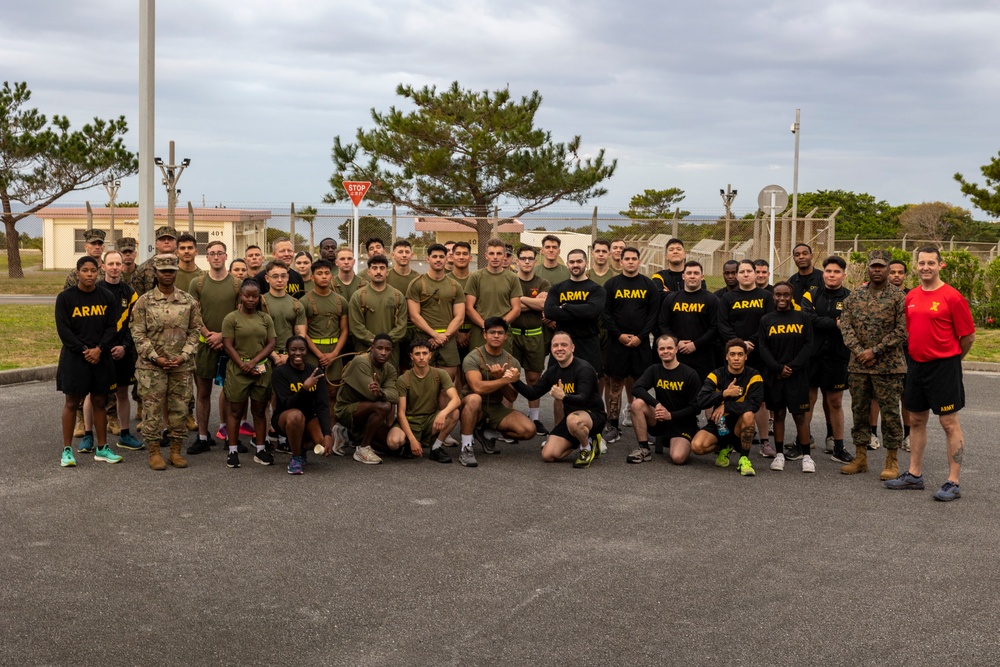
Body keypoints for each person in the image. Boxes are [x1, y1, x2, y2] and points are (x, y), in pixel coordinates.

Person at [886, 247, 975, 501]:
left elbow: (968, 336)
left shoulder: (952, 297)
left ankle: (953, 482)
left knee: (948, 423)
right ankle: (914, 475)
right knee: (915, 419)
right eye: (921, 263)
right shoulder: (911, 296)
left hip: (944, 366)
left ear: (940, 265)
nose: (925, 267)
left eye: (930, 263)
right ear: (917, 266)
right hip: (916, 365)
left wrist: (954, 361)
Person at [838, 249, 907, 480]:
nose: (877, 270)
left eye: (882, 266)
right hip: (859, 366)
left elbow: (902, 330)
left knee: (889, 414)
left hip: (888, 367)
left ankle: (892, 460)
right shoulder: (854, 296)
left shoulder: (899, 297)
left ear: (888, 269)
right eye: (873, 266)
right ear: (868, 268)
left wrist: (875, 350)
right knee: (859, 411)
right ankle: (860, 457)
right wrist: (860, 351)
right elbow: (845, 327)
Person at [130, 254, 202, 470]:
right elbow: (138, 333)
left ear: (176, 272)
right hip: (152, 367)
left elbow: (195, 331)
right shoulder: (144, 301)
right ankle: (154, 452)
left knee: (179, 410)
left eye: (171, 270)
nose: (168, 274)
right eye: (164, 271)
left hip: (181, 366)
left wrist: (184, 355)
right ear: (157, 273)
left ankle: (175, 451)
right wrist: (155, 357)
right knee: (152, 411)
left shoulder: (188, 301)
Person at [55, 255, 122, 467]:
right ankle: (67, 451)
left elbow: (112, 327)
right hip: (75, 359)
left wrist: (99, 349)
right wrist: (85, 350)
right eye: (85, 270)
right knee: (72, 403)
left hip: (101, 357)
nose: (90, 274)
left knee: (100, 402)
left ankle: (102, 448)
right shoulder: (65, 298)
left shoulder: (107, 296)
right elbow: (64, 330)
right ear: (77, 273)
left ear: (98, 272)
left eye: (93, 270)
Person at [513, 332, 606, 469]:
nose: (559, 348)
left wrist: (564, 397)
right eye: (555, 345)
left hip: (592, 415)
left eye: (564, 345)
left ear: (572, 348)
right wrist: (514, 381)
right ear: (551, 349)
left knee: (573, 420)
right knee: (548, 455)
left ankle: (586, 447)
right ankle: (581, 438)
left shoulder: (584, 369)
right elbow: (533, 394)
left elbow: (583, 398)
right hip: (571, 419)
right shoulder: (553, 371)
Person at [187, 240, 242, 455]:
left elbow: (240, 314)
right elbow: (193, 314)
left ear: (226, 256)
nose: (216, 257)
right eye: (212, 253)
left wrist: (223, 336)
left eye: (220, 253)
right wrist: (208, 334)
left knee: (231, 393)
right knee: (203, 392)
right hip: (205, 344)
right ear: (207, 257)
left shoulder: (237, 284)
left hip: (230, 345)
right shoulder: (197, 284)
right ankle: (202, 436)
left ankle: (231, 437)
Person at [458, 318, 536, 467]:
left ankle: (488, 433)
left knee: (529, 430)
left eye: (500, 333)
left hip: (495, 407)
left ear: (506, 336)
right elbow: (477, 388)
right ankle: (466, 447)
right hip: (471, 405)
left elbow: (512, 396)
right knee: (475, 399)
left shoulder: (512, 361)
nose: (496, 336)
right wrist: (501, 380)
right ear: (484, 335)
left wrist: (500, 378)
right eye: (492, 332)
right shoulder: (473, 357)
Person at [601, 246, 658, 443]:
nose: (631, 262)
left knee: (641, 386)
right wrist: (619, 335)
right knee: (615, 385)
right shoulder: (611, 284)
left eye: (634, 258)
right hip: (618, 344)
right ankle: (613, 426)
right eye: (627, 259)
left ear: (639, 261)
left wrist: (641, 337)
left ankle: (646, 426)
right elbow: (605, 313)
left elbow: (653, 315)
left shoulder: (648, 285)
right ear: (621, 261)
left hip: (641, 344)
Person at [718, 258, 774, 454]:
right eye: (741, 272)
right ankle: (731, 440)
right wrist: (739, 344)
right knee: (733, 395)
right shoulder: (728, 298)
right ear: (737, 275)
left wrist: (752, 342)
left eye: (749, 271)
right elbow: (723, 325)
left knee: (760, 399)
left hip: (759, 354)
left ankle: (765, 441)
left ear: (755, 273)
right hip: (735, 355)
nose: (745, 275)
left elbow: (768, 322)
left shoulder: (766, 296)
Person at [757, 282, 814, 472]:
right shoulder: (766, 320)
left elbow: (808, 345)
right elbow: (763, 348)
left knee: (799, 415)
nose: (782, 299)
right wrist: (778, 368)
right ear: (773, 296)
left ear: (792, 296)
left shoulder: (803, 318)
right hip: (775, 375)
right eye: (778, 295)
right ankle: (779, 454)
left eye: (786, 295)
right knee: (779, 414)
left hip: (797, 376)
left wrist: (792, 367)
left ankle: (807, 456)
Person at [800, 255, 853, 463]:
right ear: (824, 274)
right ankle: (802, 444)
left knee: (835, 402)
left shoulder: (850, 298)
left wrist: (829, 323)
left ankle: (839, 447)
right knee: (808, 401)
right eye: (829, 271)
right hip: (811, 357)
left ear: (843, 275)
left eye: (836, 272)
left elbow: (848, 324)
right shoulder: (811, 294)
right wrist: (834, 324)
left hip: (837, 357)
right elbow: (807, 320)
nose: (832, 275)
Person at [220, 280, 277, 468]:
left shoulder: (265, 318)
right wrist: (242, 364)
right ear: (241, 296)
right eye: (247, 296)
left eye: (255, 296)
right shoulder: (231, 318)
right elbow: (228, 344)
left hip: (260, 368)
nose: (251, 299)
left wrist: (253, 362)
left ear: (259, 297)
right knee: (235, 411)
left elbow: (271, 343)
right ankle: (233, 450)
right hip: (238, 369)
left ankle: (260, 449)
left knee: (260, 411)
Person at [690, 338, 763, 477]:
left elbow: (754, 404)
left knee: (749, 415)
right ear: (726, 356)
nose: (736, 358)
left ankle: (744, 458)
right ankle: (726, 446)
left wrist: (726, 406)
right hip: (720, 423)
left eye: (740, 354)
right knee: (696, 447)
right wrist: (724, 393)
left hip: (739, 424)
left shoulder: (754, 376)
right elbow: (701, 401)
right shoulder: (715, 375)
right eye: (733, 354)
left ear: (746, 356)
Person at [628, 334, 701, 465]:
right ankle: (644, 448)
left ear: (676, 349)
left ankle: (688, 440)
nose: (665, 351)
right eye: (662, 349)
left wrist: (671, 415)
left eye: (669, 348)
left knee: (678, 458)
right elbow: (637, 388)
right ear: (657, 351)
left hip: (682, 423)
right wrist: (656, 404)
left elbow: (696, 408)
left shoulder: (690, 374)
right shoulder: (654, 370)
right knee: (637, 404)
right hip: (660, 419)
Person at [385, 338, 461, 463]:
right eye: (417, 354)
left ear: (430, 355)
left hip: (430, 419)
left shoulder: (439, 374)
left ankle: (436, 448)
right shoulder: (404, 379)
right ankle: (409, 443)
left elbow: (456, 399)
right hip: (410, 421)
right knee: (393, 442)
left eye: (425, 353)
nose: (421, 357)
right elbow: (401, 413)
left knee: (454, 413)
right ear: (411, 356)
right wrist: (413, 440)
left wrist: (443, 413)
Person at [302, 259, 350, 451]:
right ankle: (312, 435)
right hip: (313, 354)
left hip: (334, 353)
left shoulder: (341, 301)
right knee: (311, 394)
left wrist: (335, 353)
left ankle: (331, 434)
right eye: (319, 273)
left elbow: (344, 330)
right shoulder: (305, 301)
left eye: (327, 273)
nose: (323, 276)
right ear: (312, 277)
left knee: (332, 395)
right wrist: (319, 354)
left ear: (332, 276)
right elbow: (302, 332)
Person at [98, 250, 142, 452]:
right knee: (94, 394)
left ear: (122, 266)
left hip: (123, 352)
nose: (115, 267)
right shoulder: (95, 290)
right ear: (103, 266)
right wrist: (102, 348)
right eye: (111, 264)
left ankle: (125, 434)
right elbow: (92, 325)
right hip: (100, 351)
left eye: (118, 264)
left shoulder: (131, 293)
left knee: (122, 393)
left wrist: (124, 347)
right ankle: (90, 436)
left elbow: (134, 325)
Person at [270, 336, 333, 475]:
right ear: (287, 351)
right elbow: (286, 403)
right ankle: (296, 457)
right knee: (295, 415)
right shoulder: (279, 373)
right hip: (285, 417)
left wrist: (328, 434)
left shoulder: (316, 372)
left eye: (302, 349)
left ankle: (301, 446)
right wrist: (304, 389)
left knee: (324, 444)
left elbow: (323, 405)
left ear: (307, 351)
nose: (297, 353)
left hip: (310, 417)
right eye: (293, 350)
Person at [334, 334, 399, 465]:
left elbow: (394, 396)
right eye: (379, 348)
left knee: (394, 448)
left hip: (370, 412)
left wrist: (381, 392)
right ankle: (362, 449)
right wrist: (380, 394)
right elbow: (372, 395)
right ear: (372, 348)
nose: (383, 352)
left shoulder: (390, 369)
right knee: (384, 406)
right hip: (347, 409)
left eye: (387, 349)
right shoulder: (361, 362)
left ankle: (348, 434)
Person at [407, 243, 466, 384]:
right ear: (428, 259)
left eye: (441, 256)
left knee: (446, 383)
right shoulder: (417, 284)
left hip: (448, 340)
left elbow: (459, 317)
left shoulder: (454, 286)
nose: (438, 259)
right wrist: (434, 335)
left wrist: (443, 337)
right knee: (423, 383)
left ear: (447, 259)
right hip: (423, 340)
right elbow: (415, 316)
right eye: (434, 256)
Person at [510, 245, 551, 435]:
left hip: (535, 335)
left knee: (534, 378)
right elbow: (508, 306)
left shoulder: (542, 282)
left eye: (530, 258)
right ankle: (507, 417)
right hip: (512, 335)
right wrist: (531, 303)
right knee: (509, 377)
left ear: (536, 261)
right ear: (516, 261)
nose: (527, 261)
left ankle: (534, 418)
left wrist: (519, 300)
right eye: (523, 258)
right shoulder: (510, 280)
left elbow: (544, 305)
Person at [658, 260, 720, 384]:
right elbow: (663, 324)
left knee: (702, 394)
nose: (692, 276)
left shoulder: (712, 299)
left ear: (702, 277)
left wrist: (695, 344)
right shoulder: (671, 299)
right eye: (689, 273)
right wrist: (676, 342)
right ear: (683, 276)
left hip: (703, 356)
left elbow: (716, 327)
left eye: (696, 273)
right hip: (677, 354)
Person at [349, 254, 408, 369]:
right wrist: (374, 341)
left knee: (389, 382)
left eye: (382, 268)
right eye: (374, 268)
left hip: (390, 353)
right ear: (368, 272)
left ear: (387, 272)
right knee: (365, 382)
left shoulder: (397, 296)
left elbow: (401, 326)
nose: (378, 271)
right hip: (365, 351)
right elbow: (356, 326)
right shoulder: (358, 296)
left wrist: (385, 344)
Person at [464, 238, 522, 350]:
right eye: (491, 253)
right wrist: (486, 326)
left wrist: (498, 328)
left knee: (503, 366)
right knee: (478, 365)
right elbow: (469, 307)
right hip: (480, 332)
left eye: (499, 253)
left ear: (504, 255)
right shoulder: (475, 277)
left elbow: (516, 309)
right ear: (486, 256)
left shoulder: (513, 278)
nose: (495, 257)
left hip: (502, 333)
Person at [880, 258, 913, 450]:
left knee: (906, 396)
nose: (896, 276)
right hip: (884, 352)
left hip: (908, 351)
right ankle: (875, 434)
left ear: (905, 275)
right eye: (892, 272)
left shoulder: (912, 296)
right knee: (880, 397)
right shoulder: (879, 295)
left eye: (900, 272)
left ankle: (908, 436)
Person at [447, 241, 474, 367]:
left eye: (465, 254)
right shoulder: (445, 280)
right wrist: (456, 333)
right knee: (453, 372)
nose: (461, 257)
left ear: (471, 257)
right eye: (458, 253)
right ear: (451, 257)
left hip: (474, 333)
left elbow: (482, 309)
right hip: (450, 333)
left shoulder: (477, 279)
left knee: (471, 372)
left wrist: (470, 334)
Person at [131, 226, 179, 296]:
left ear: (176, 244)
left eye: (170, 239)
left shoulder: (182, 266)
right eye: (162, 239)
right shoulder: (143, 269)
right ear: (156, 244)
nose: (166, 242)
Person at [787, 243, 823, 307]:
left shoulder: (823, 278)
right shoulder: (790, 282)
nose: (801, 257)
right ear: (794, 258)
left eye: (805, 254)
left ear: (811, 256)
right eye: (797, 255)